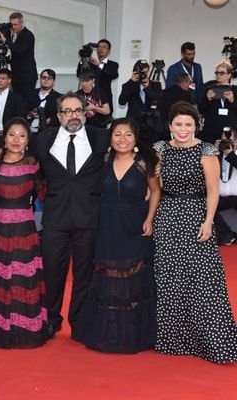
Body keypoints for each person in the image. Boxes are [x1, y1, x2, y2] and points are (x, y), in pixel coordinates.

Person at [153, 101, 237, 363]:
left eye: (188, 124)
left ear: (196, 126)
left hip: (195, 215)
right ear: (170, 126)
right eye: (178, 124)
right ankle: (172, 340)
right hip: (167, 214)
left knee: (202, 279)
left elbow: (213, 191)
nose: (183, 129)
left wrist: (209, 221)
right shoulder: (160, 149)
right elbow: (155, 186)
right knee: (168, 278)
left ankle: (209, 341)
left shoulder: (206, 150)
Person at [74, 118, 161, 353]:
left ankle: (132, 332)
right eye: (117, 134)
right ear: (110, 139)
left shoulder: (145, 162)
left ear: (135, 139)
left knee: (134, 274)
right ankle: (108, 329)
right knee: (108, 272)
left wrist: (150, 219)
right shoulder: (104, 159)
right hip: (107, 223)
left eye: (128, 135)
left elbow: (155, 191)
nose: (122, 139)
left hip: (135, 224)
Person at [31, 92, 109, 338]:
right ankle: (52, 320)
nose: (73, 115)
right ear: (58, 115)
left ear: (85, 112)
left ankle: (79, 322)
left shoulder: (101, 138)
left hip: (90, 217)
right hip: (55, 219)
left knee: (84, 275)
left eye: (78, 110)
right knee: (52, 273)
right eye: (68, 111)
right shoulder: (43, 140)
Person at [0, 117, 50, 348]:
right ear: (4, 137)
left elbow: (44, 193)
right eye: (12, 134)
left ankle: (25, 329)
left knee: (21, 278)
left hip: (24, 228)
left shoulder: (33, 163)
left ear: (27, 140)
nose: (16, 140)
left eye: (22, 136)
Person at [118, 60, 164, 145]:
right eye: (142, 72)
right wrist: (131, 82)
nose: (143, 75)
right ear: (135, 72)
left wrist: (148, 88)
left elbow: (159, 102)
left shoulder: (155, 85)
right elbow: (122, 102)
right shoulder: (129, 85)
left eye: (146, 72)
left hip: (152, 125)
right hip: (135, 125)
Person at [0, 12, 37, 98]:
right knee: (17, 101)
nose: (13, 27)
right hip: (15, 75)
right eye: (12, 24)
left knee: (26, 102)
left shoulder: (28, 35)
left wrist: (5, 41)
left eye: (16, 24)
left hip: (26, 77)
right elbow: (13, 53)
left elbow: (20, 50)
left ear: (22, 23)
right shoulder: (11, 34)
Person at [198, 60, 237, 144]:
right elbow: (201, 109)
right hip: (212, 130)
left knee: (229, 155)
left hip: (231, 131)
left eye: (222, 73)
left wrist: (232, 101)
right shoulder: (209, 89)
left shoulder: (235, 90)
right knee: (211, 155)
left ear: (229, 75)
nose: (218, 75)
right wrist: (208, 99)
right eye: (217, 73)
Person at [76, 39, 119, 114]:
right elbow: (79, 74)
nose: (101, 49)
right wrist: (82, 60)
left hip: (104, 98)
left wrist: (99, 65)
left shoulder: (112, 64)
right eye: (99, 47)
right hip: (88, 97)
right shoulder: (90, 63)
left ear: (109, 51)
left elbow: (113, 75)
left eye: (104, 47)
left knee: (103, 121)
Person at [214, 127, 237, 245]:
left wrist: (231, 154)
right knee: (204, 205)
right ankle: (228, 235)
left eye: (230, 141)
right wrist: (214, 152)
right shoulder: (216, 156)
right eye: (224, 141)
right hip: (221, 198)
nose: (227, 144)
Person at [27, 69, 62, 134]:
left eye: (49, 78)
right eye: (44, 78)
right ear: (40, 79)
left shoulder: (59, 97)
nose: (46, 80)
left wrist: (48, 120)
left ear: (53, 81)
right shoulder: (30, 94)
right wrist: (30, 114)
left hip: (49, 132)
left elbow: (61, 115)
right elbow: (22, 111)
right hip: (30, 132)